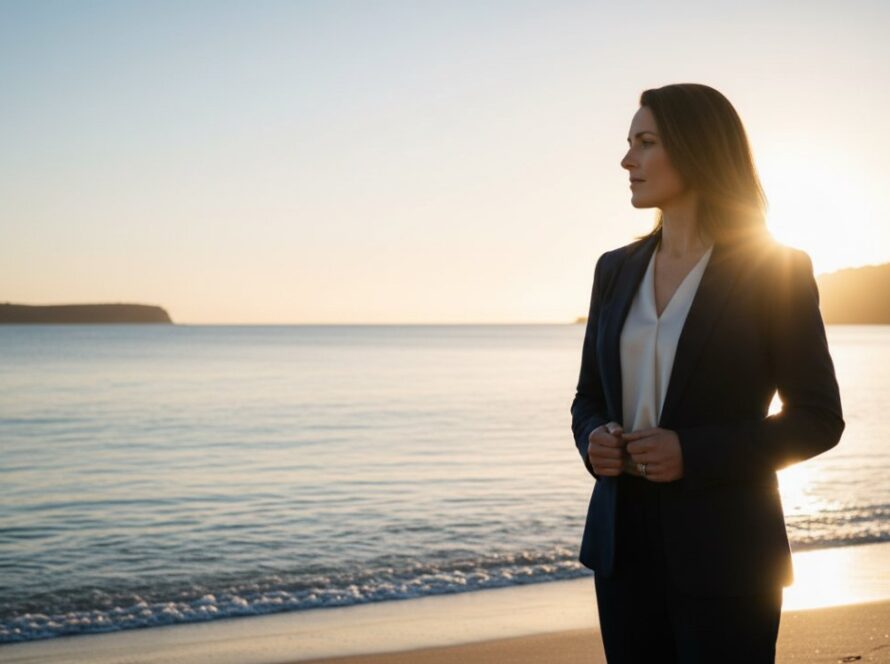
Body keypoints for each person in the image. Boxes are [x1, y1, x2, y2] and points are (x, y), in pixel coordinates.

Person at [570, 83, 844, 663]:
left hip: (728, 553)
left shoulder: (775, 268)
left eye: (646, 143)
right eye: (630, 143)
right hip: (622, 550)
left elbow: (819, 419)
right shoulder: (614, 270)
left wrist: (692, 453)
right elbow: (587, 397)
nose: (627, 160)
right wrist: (594, 439)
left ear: (697, 148)